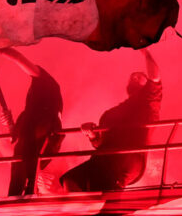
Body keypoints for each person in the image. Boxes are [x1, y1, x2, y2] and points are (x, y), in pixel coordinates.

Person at [60, 49, 161, 192]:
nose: (135, 77)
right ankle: (86, 209)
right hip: (104, 157)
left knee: (106, 178)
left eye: (140, 76)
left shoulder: (148, 102)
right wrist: (92, 134)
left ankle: (110, 204)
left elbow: (155, 77)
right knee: (69, 180)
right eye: (133, 76)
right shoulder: (109, 114)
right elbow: (101, 144)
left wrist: (145, 52)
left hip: (128, 157)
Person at [0, 47, 64, 196]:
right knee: (22, 167)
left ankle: (25, 194)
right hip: (38, 144)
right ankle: (22, 195)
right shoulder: (28, 113)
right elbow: (14, 143)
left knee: (26, 167)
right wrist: (9, 124)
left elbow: (18, 58)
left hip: (42, 137)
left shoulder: (48, 83)